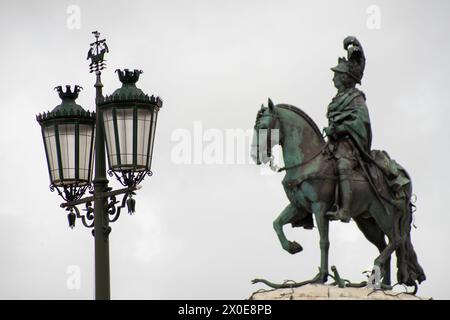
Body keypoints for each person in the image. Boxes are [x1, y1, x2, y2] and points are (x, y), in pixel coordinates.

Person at [324, 36, 372, 222]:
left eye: (336, 74)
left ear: (345, 78)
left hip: (350, 145)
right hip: (333, 143)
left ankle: (345, 210)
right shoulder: (337, 99)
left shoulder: (356, 98)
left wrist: (340, 129)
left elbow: (362, 123)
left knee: (343, 165)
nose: (333, 77)